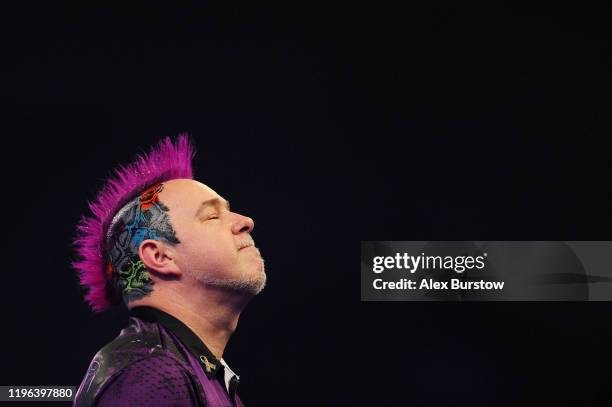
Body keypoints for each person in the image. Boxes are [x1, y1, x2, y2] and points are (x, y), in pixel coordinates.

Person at [72, 135, 266, 406]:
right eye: (212, 216)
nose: (246, 221)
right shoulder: (152, 375)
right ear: (159, 256)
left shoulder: (189, 372)